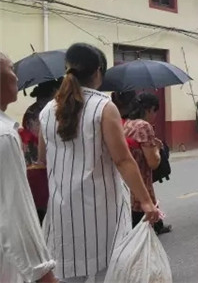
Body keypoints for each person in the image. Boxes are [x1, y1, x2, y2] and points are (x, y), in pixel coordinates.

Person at [38, 43, 160, 282]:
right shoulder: (103, 107)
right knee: (107, 271)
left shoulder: (47, 111)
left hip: (63, 210)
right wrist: (146, 202)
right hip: (100, 210)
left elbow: (43, 159)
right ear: (98, 72)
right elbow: (123, 159)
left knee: (69, 273)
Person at [0, 53, 59, 283]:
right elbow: (16, 215)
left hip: (30, 168)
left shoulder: (27, 115)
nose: (15, 76)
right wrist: (44, 273)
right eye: (10, 69)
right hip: (37, 172)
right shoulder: (5, 135)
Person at [124, 93, 172, 234]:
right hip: (141, 180)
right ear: (149, 109)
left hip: (127, 181)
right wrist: (157, 149)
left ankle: (157, 225)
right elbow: (153, 162)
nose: (155, 115)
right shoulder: (144, 126)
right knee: (141, 228)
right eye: (155, 111)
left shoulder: (127, 123)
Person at [19, 79, 62, 224]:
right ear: (52, 91)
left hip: (31, 162)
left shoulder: (31, 110)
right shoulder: (51, 111)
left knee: (36, 205)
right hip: (46, 163)